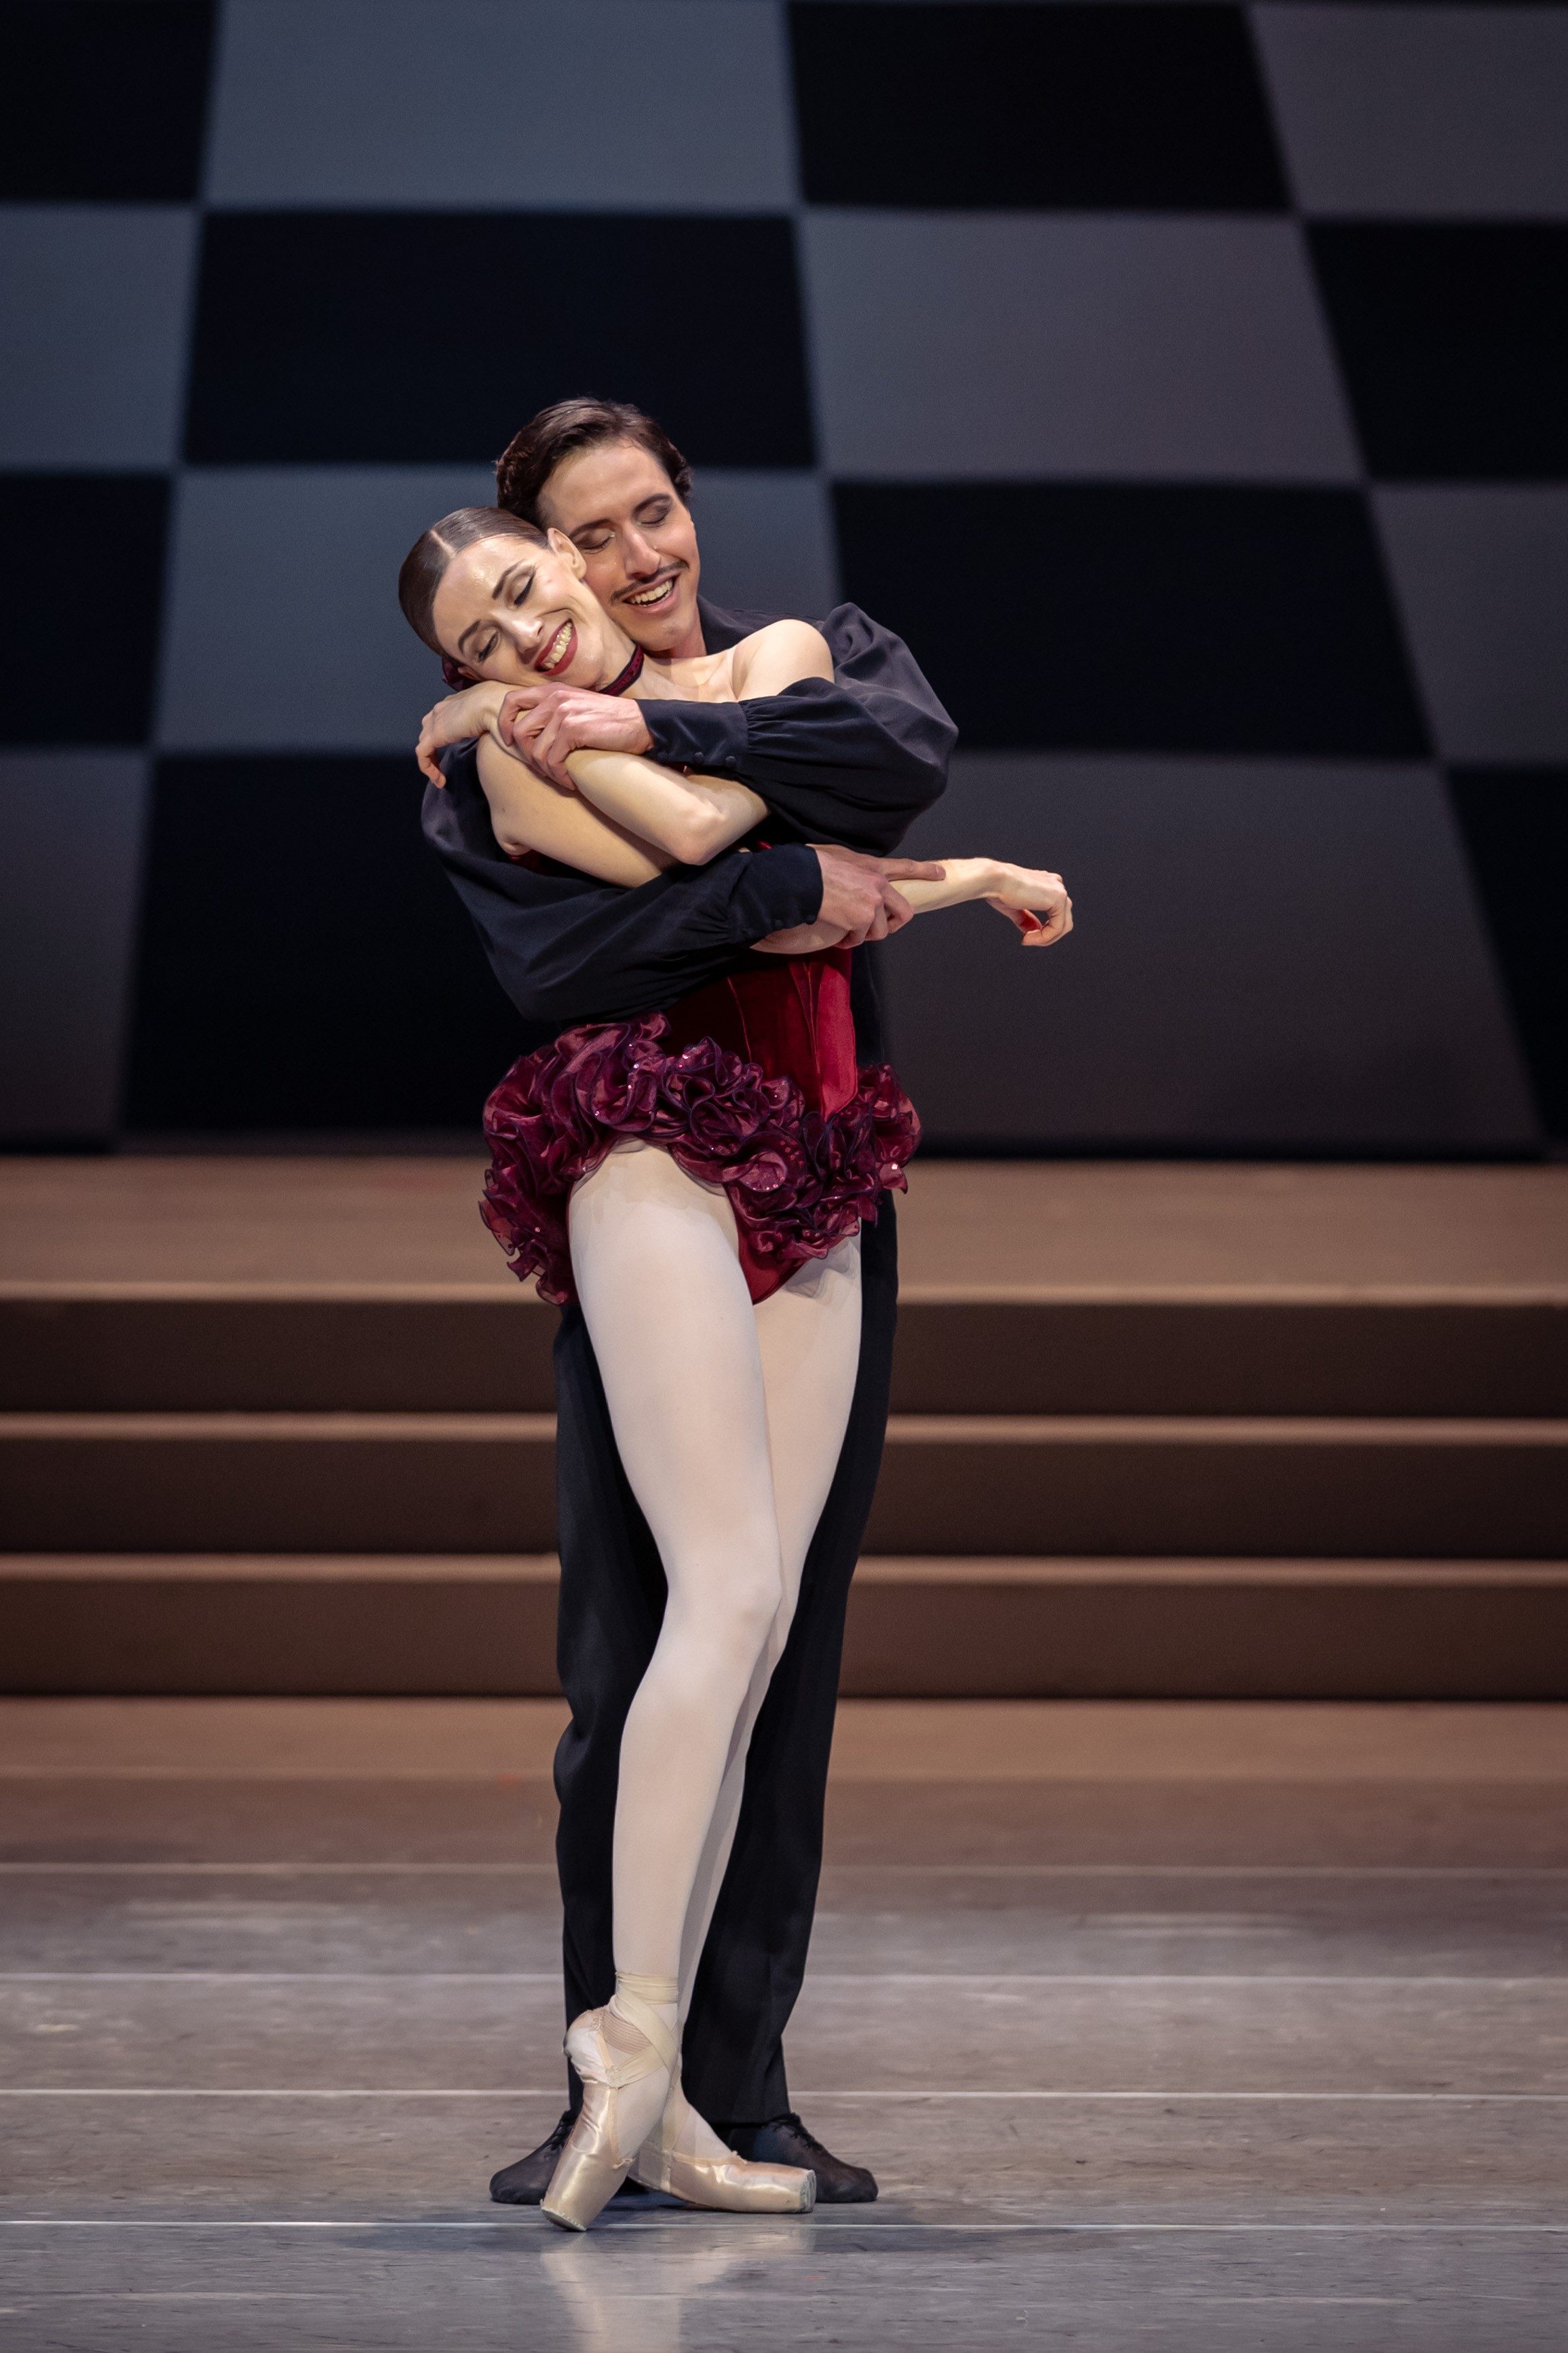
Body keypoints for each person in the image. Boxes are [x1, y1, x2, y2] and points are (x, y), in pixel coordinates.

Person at [410, 401, 1069, 2218]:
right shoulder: (496, 759)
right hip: (646, 1181)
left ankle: (734, 2088)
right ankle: (611, 2073)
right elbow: (573, 955)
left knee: (783, 1635)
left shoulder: (808, 653)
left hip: (823, 1175)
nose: (631, 561)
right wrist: (785, 879)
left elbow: (894, 760)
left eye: (651, 514)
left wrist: (678, 750)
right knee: (637, 1646)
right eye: (583, 540)